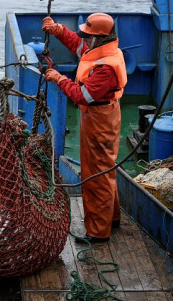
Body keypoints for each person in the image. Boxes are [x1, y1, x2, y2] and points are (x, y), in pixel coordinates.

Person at [42, 13, 127, 244]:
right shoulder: (104, 51)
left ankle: (98, 232)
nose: (84, 40)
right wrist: (57, 29)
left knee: (95, 173)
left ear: (99, 38)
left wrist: (59, 79)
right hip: (103, 115)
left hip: (99, 119)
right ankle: (112, 218)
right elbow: (78, 45)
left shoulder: (105, 69)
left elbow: (82, 95)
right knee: (105, 168)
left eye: (88, 36)